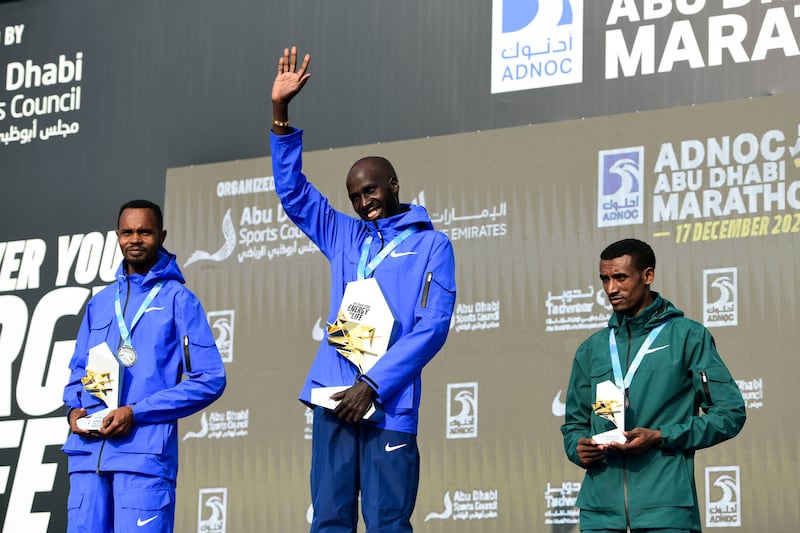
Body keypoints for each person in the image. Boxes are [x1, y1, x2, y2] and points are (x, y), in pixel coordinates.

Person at [270, 46, 456, 532]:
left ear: (393, 184)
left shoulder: (433, 246)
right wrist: (280, 115)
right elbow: (294, 195)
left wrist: (372, 384)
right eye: (354, 196)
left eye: (370, 190)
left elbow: (432, 327)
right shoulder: (346, 236)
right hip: (334, 394)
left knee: (388, 522)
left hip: (388, 400)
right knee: (329, 520)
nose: (363, 201)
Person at [62, 199, 227, 533]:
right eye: (127, 232)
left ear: (161, 236)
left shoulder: (179, 301)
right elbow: (78, 374)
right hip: (87, 458)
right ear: (117, 235)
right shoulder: (101, 303)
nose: (134, 239)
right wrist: (74, 412)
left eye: (144, 232)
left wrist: (136, 412)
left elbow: (210, 379)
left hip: (143, 460)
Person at [561, 238, 746, 533]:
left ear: (647, 276)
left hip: (666, 510)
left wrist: (662, 436)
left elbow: (730, 414)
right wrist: (578, 448)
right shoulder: (593, 348)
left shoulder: (688, 337)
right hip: (599, 514)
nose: (610, 289)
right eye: (605, 279)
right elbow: (575, 424)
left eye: (620, 277)